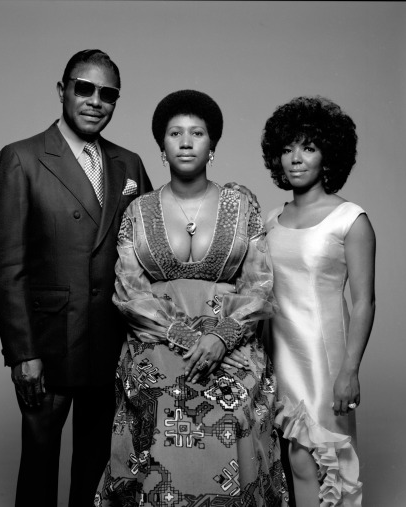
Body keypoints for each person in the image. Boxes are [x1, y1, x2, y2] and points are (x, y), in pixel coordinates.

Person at [94, 89, 288, 507]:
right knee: (157, 405)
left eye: (197, 133)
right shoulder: (138, 211)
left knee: (236, 409)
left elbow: (259, 285)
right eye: (174, 133)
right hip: (156, 344)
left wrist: (221, 337)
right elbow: (129, 292)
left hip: (231, 345)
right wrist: (182, 335)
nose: (185, 141)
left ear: (212, 145)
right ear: (161, 147)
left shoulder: (242, 204)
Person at [0, 49, 153, 507]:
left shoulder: (129, 164)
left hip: (110, 342)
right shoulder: (21, 159)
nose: (96, 101)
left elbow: (148, 251)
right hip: (48, 344)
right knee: (39, 471)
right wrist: (23, 352)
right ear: (63, 91)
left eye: (108, 94)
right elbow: (6, 267)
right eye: (85, 88)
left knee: (99, 472)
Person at [261, 96, 376, 507]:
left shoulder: (350, 219)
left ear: (329, 155)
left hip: (323, 357)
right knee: (291, 461)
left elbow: (364, 302)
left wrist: (350, 370)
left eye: (308, 147)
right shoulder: (271, 221)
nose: (296, 158)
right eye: (288, 147)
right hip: (279, 355)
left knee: (321, 458)